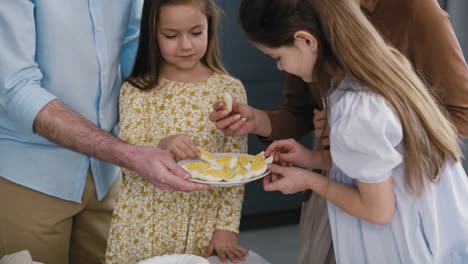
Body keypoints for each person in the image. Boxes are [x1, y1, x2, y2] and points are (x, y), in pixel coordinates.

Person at [209, 0, 468, 263]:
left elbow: (377, 208)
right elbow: (383, 162)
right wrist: (311, 159)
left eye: (278, 58)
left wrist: (309, 180)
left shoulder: (357, 108)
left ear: (307, 42)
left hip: (395, 242)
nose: (280, 67)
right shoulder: (363, 80)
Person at [0, 1, 208, 264]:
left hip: (106, 174)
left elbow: (133, 42)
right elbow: (15, 88)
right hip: (32, 179)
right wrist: (128, 154)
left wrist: (181, 105)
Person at [105, 1, 249, 263]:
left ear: (210, 28)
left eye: (196, 33)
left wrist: (227, 228)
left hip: (203, 227)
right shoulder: (137, 90)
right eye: (171, 35)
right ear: (153, 34)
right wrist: (162, 144)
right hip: (143, 226)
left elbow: (237, 168)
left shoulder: (230, 90)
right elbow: (127, 163)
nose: (186, 45)